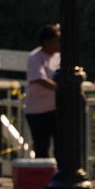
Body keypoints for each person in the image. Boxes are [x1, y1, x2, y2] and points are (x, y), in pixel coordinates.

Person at [25, 23, 61, 158]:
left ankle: (60, 170)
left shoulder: (61, 56)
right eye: (57, 40)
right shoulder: (35, 57)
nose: (60, 43)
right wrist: (63, 89)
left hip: (56, 109)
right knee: (41, 147)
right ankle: (41, 172)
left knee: (61, 146)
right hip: (37, 111)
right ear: (46, 42)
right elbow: (41, 79)